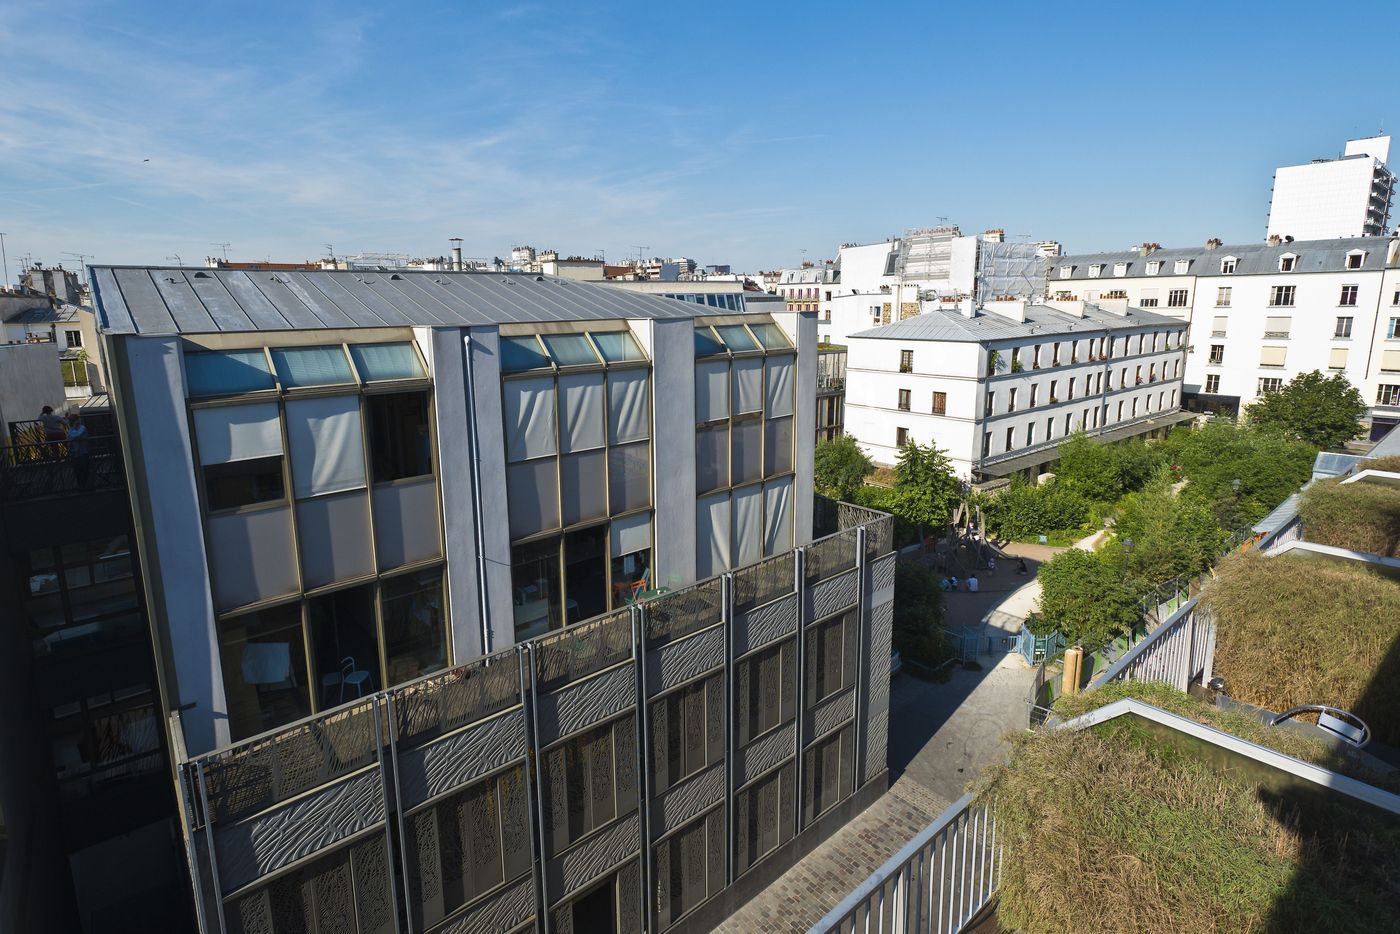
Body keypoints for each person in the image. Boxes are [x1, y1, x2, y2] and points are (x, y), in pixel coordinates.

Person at [66, 412, 90, 487]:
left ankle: (86, 486)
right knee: (78, 471)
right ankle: (81, 486)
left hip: (82, 452)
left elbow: (74, 436)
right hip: (75, 453)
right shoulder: (72, 429)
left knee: (84, 470)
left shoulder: (82, 428)